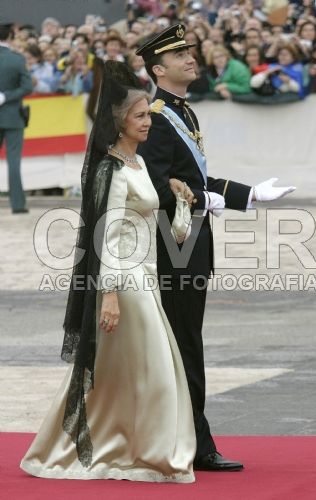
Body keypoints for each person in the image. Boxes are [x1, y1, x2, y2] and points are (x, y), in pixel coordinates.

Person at [20, 60, 196, 482]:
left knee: (120, 374)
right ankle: (151, 454)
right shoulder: (112, 170)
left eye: (147, 114)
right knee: (153, 371)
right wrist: (111, 294)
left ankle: (122, 444)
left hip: (145, 277)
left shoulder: (136, 165)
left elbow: (159, 227)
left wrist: (179, 197)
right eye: (139, 116)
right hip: (125, 282)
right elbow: (106, 238)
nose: (147, 121)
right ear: (118, 122)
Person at [137, 23, 295, 472]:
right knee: (183, 341)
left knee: (189, 339)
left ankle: (190, 437)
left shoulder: (183, 112)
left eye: (190, 51)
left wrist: (249, 195)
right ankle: (193, 444)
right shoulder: (157, 116)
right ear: (157, 68)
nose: (191, 58)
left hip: (192, 238)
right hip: (173, 241)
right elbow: (156, 188)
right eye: (179, 55)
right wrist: (203, 198)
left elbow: (197, 178)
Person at [0, 22, 32, 214]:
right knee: (13, 161)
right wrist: (6, 96)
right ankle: (18, 205)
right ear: (10, 38)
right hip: (12, 116)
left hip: (11, 115)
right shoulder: (17, 59)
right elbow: (27, 87)